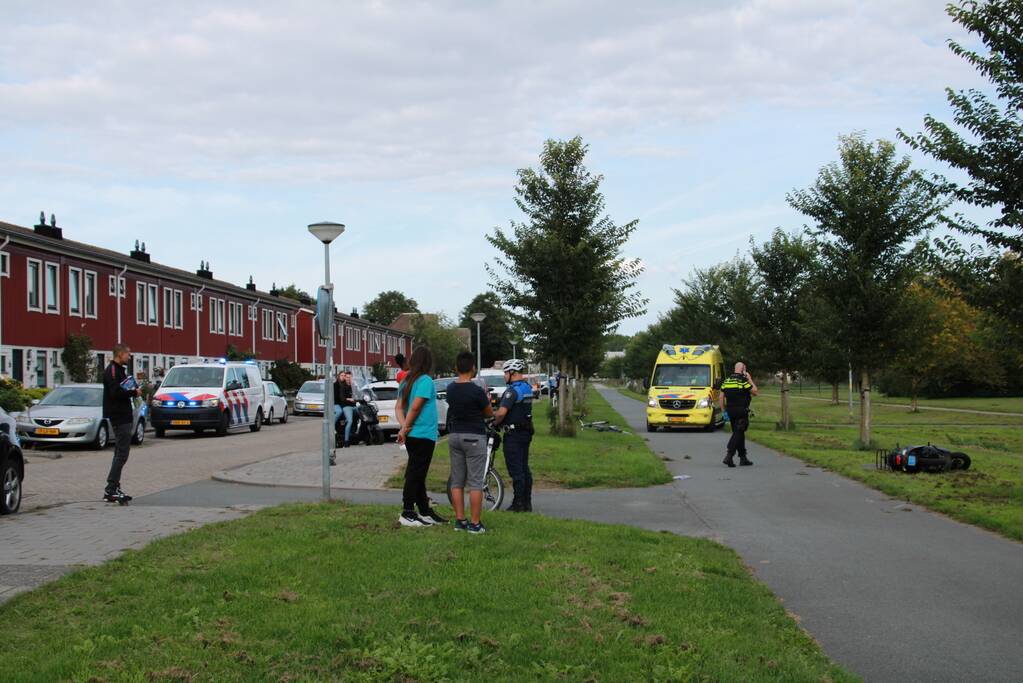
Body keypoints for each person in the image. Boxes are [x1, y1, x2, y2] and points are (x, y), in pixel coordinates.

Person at [395, 346, 446, 527]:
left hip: (412, 435)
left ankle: (424, 510)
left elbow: (399, 408)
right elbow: (415, 407)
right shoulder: (425, 380)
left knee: (417, 473)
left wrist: (404, 427)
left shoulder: (406, 380)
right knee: (415, 474)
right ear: (428, 362)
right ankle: (407, 512)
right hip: (423, 434)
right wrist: (405, 427)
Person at [446, 351, 494, 533]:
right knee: (475, 482)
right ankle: (475, 524)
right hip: (474, 436)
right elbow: (488, 412)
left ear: (457, 367)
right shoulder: (476, 391)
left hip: (454, 436)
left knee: (457, 481)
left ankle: (460, 520)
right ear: (473, 368)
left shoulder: (450, 388)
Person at [102, 344, 142, 502]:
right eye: (128, 354)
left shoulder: (119, 370)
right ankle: (110, 488)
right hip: (119, 416)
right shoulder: (112, 370)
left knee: (119, 452)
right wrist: (133, 392)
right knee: (122, 454)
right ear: (119, 354)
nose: (129, 357)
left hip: (124, 414)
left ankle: (114, 486)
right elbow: (115, 392)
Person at [494, 358, 534, 512]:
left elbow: (502, 413)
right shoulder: (527, 388)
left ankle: (518, 503)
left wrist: (495, 422)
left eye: (505, 372)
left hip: (513, 435)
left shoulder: (512, 391)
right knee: (524, 469)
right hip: (525, 432)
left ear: (512, 372)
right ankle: (526, 502)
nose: (504, 376)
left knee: (516, 470)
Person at [719, 362, 758, 467]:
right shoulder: (743, 380)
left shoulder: (726, 381)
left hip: (730, 411)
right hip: (741, 411)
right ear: (743, 370)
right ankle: (729, 455)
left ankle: (743, 458)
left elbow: (721, 397)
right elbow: (755, 392)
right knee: (738, 432)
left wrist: (723, 411)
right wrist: (749, 378)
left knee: (739, 433)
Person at [334, 370, 356, 447]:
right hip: (338, 404)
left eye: (346, 376)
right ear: (339, 376)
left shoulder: (353, 385)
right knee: (340, 412)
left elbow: (358, 394)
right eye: (343, 376)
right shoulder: (337, 385)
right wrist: (349, 399)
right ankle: (346, 441)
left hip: (351, 405)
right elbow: (341, 398)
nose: (344, 377)